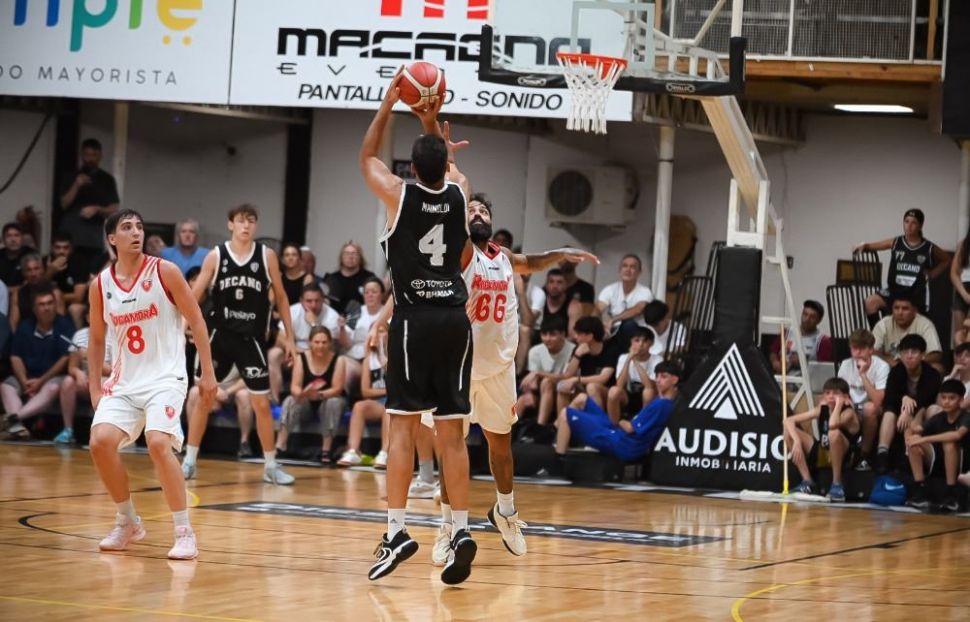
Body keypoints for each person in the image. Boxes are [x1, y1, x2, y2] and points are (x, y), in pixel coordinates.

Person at [430, 192, 597, 565]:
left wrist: (560, 253)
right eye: (471, 210)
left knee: (501, 446)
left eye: (483, 210)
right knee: (451, 448)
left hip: (498, 368)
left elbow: (528, 262)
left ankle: (505, 511)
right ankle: (447, 527)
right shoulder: (458, 252)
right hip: (457, 365)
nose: (478, 214)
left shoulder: (502, 256)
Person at [359, 73, 476, 584]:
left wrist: (390, 103)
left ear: (410, 168)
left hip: (413, 321)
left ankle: (397, 531)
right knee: (452, 434)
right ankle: (462, 530)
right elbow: (451, 172)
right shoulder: (461, 195)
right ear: (445, 163)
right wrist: (431, 122)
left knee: (403, 427)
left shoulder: (397, 195)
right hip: (455, 321)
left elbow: (367, 156)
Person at [83, 208, 217, 560]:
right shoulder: (101, 285)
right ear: (112, 238)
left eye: (139, 227)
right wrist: (95, 387)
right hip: (124, 382)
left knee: (158, 442)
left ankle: (184, 532)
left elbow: (197, 320)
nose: (136, 232)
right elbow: (96, 340)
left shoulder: (165, 271)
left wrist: (207, 373)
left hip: (165, 378)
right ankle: (127, 521)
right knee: (100, 442)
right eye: (127, 227)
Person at [181, 204, 298, 485]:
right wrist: (182, 325)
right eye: (241, 221)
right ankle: (189, 461)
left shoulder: (266, 256)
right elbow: (194, 294)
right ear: (230, 224)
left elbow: (282, 297)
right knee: (204, 396)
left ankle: (270, 465)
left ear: (255, 225)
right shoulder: (216, 255)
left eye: (251, 221)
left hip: (251, 339)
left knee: (261, 403)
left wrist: (291, 339)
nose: (246, 225)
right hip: (219, 337)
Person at [553, 361, 681, 467]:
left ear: (674, 380)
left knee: (565, 413)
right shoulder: (664, 402)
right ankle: (558, 431)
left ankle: (558, 461)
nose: (658, 380)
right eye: (657, 376)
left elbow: (630, 428)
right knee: (582, 398)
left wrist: (620, 420)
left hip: (623, 444)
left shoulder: (661, 405)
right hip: (621, 437)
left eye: (663, 377)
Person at [0, 286, 75, 440]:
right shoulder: (25, 327)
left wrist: (41, 381)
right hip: (27, 377)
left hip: (52, 378)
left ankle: (13, 419)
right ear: (34, 309)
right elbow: (15, 356)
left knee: (53, 387)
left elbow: (65, 358)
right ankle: (17, 428)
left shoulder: (65, 326)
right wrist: (23, 381)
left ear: (55, 305)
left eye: (50, 303)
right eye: (42, 304)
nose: (47, 308)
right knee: (6, 386)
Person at [855, 208, 949, 315]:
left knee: (907, 315)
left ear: (920, 226)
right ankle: (879, 327)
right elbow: (873, 246)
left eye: (913, 222)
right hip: (894, 290)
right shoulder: (896, 242)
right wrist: (864, 245)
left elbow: (946, 259)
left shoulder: (928, 247)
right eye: (906, 221)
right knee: (870, 302)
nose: (909, 226)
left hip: (914, 294)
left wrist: (932, 274)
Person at [275, 326, 346, 464]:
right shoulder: (301, 359)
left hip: (328, 399)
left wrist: (319, 395)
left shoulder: (339, 360)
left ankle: (326, 450)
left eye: (324, 342)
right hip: (306, 401)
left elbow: (337, 388)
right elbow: (294, 387)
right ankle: (280, 445)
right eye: (317, 342)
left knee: (333, 402)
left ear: (330, 343)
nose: (320, 346)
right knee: (290, 400)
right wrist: (302, 394)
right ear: (310, 343)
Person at [785, 378, 860, 501]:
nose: (831, 396)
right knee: (788, 431)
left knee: (833, 433)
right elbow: (788, 421)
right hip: (824, 451)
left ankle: (837, 484)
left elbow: (832, 424)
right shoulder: (822, 409)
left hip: (845, 455)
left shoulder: (849, 413)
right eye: (827, 393)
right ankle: (807, 482)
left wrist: (838, 405)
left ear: (845, 397)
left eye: (835, 393)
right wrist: (797, 441)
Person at [877, 333, 941, 473]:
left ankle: (920, 454)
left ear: (923, 355)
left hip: (922, 413)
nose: (909, 356)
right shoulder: (896, 371)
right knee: (889, 413)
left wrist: (907, 411)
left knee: (930, 410)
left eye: (914, 352)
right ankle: (882, 454)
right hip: (899, 413)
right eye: (905, 352)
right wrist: (904, 398)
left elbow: (927, 398)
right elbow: (889, 398)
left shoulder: (932, 374)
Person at [905, 379, 969, 511]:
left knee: (948, 443)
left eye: (951, 398)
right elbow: (917, 430)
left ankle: (951, 494)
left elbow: (957, 435)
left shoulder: (966, 417)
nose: (946, 401)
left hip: (963, 464)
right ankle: (920, 490)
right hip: (940, 461)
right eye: (943, 397)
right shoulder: (939, 417)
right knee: (914, 442)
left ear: (961, 400)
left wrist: (924, 439)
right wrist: (911, 434)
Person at [58, 138, 120, 274]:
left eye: (94, 155)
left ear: (100, 156)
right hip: (70, 237)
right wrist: (76, 185)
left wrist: (97, 209)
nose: (90, 159)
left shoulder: (107, 179)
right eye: (87, 155)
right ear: (81, 155)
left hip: (93, 239)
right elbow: (63, 204)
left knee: (92, 274)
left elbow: (114, 208)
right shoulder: (70, 176)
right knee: (68, 273)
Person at [58, 306, 116, 444]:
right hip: (84, 381)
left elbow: (114, 371)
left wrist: (91, 357)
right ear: (87, 318)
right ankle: (68, 430)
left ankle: (100, 433)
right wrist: (78, 374)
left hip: (105, 379)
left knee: (103, 384)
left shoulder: (114, 335)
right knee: (67, 382)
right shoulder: (79, 335)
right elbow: (72, 367)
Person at [836, 329, 889, 472]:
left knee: (869, 408)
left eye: (861, 348)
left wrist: (863, 375)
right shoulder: (846, 364)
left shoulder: (882, 367)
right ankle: (843, 453)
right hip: (852, 408)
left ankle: (864, 456)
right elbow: (838, 392)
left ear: (871, 349)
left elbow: (878, 401)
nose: (857, 352)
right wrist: (846, 401)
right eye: (854, 348)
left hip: (873, 410)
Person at [337, 329, 390, 469]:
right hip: (378, 402)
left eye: (382, 331)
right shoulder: (368, 360)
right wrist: (387, 390)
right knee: (359, 406)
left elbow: (401, 388)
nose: (378, 336)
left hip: (395, 402)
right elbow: (365, 391)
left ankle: (385, 453)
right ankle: (353, 451)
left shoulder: (400, 356)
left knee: (389, 409)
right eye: (375, 332)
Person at [552, 316, 618, 424]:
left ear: (590, 336)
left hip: (607, 391)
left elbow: (603, 378)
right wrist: (577, 355)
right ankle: (563, 425)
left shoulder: (610, 350)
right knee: (563, 386)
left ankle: (597, 424)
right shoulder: (579, 349)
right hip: (584, 388)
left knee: (592, 386)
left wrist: (576, 380)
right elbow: (568, 375)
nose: (575, 337)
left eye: (579, 334)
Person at [515, 316, 575, 425]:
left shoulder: (572, 350)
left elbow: (567, 377)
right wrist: (529, 391)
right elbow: (531, 383)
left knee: (547, 382)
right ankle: (506, 431)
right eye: (544, 334)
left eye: (552, 335)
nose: (547, 338)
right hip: (541, 393)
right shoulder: (535, 351)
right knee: (524, 399)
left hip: (566, 393)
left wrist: (538, 373)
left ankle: (540, 426)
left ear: (562, 334)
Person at [184, 368, 253, 459]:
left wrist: (227, 392)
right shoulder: (202, 358)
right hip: (209, 389)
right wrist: (214, 393)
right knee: (194, 392)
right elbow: (194, 377)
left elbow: (249, 378)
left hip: (233, 390)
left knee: (244, 395)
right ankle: (192, 442)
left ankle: (244, 443)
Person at [596, 254, 653, 349]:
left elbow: (638, 309)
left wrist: (613, 320)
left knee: (628, 324)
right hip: (613, 331)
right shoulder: (610, 289)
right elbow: (597, 309)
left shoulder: (645, 291)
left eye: (632, 267)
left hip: (635, 333)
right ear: (619, 270)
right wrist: (600, 325)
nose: (628, 270)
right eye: (625, 266)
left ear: (639, 272)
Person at [607, 327, 662, 424]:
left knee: (648, 392)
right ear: (631, 342)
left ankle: (642, 424)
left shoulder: (657, 359)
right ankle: (613, 426)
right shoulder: (623, 357)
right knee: (613, 391)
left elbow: (650, 386)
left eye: (645, 341)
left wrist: (636, 361)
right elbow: (619, 385)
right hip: (629, 395)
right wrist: (628, 360)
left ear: (651, 343)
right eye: (637, 340)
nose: (640, 344)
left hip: (649, 397)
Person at [872, 295, 943, 370]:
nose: (900, 313)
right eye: (896, 308)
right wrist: (891, 361)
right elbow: (872, 351)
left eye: (905, 309)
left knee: (937, 367)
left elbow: (936, 354)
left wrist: (911, 362)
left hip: (917, 367)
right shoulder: (883, 324)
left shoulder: (925, 324)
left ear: (914, 311)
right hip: (891, 366)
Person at [769, 300, 833, 375]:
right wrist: (775, 362)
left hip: (806, 380)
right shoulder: (787, 333)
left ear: (819, 320)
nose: (807, 319)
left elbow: (824, 369)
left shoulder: (823, 341)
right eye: (805, 314)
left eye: (812, 317)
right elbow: (773, 352)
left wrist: (804, 363)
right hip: (781, 377)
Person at [44, 232, 90, 328]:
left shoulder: (79, 262)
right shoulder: (45, 261)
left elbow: (78, 297)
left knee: (73, 307)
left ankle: (69, 334)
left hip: (74, 303)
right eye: (58, 247)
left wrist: (58, 297)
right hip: (48, 301)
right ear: (52, 248)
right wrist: (50, 271)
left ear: (71, 249)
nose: (61, 251)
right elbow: (37, 288)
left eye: (65, 248)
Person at [323, 241, 377, 315]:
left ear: (360, 258)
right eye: (347, 253)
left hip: (363, 318)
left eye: (354, 253)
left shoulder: (369, 278)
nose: (350, 257)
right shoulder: (331, 279)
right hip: (335, 319)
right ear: (341, 257)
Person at [0, 222, 34, 287]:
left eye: (17, 235)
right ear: (3, 239)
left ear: (22, 238)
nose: (13, 240)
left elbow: (36, 278)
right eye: (9, 236)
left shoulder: (31, 254)